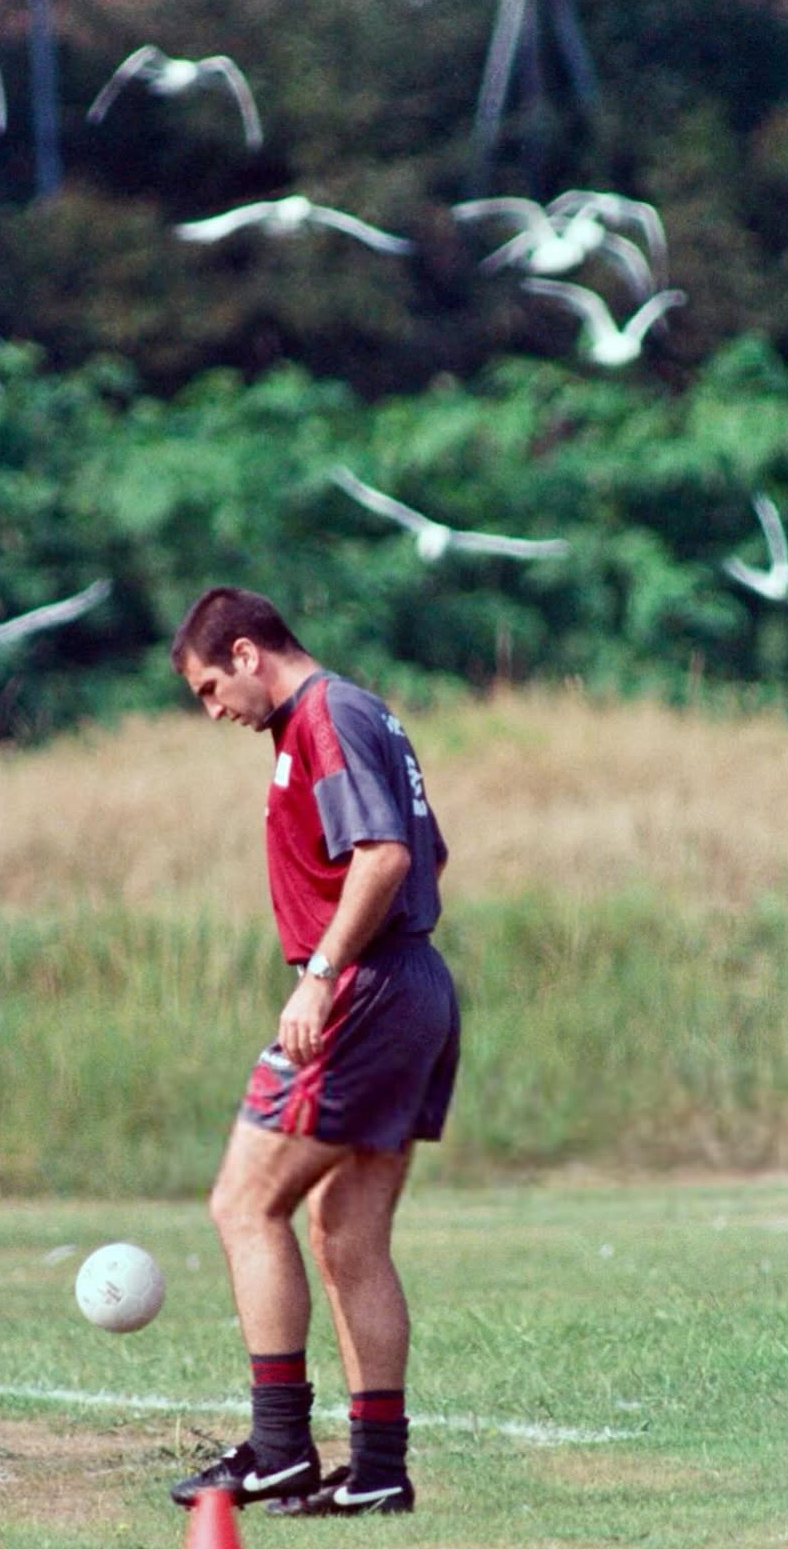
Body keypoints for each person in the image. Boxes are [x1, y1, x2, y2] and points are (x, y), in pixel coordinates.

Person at [168, 585, 460, 1518]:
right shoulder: (350, 716)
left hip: (366, 989)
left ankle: (280, 1448)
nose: (215, 710)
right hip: (410, 984)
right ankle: (377, 1469)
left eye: (212, 688)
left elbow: (386, 856)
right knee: (346, 1235)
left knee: (244, 1202)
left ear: (248, 653)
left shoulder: (326, 714)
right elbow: (431, 850)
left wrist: (322, 970)